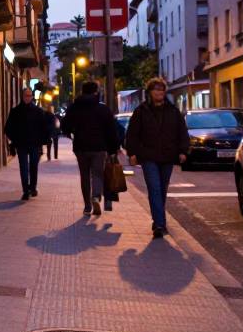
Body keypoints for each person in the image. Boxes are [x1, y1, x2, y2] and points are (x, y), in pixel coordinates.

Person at [125, 77, 190, 238]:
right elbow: (132, 134)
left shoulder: (173, 111)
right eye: (156, 90)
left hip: (167, 156)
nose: (160, 93)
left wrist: (183, 151)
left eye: (162, 90)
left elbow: (182, 132)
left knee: (162, 190)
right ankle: (160, 224)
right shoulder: (141, 111)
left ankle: (158, 219)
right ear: (150, 92)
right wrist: (132, 153)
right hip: (148, 157)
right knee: (154, 189)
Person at [61, 82, 121, 216]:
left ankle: (87, 206)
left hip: (81, 146)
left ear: (82, 91)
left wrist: (73, 133)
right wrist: (113, 149)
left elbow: (65, 126)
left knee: (85, 176)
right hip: (99, 146)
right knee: (98, 174)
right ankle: (96, 196)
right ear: (96, 92)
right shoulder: (103, 109)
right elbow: (111, 130)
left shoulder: (74, 108)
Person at [4, 88, 51, 201]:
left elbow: (44, 128)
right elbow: (8, 128)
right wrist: (15, 140)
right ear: (22, 96)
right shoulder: (15, 111)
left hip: (35, 144)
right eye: (26, 95)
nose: (28, 97)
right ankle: (26, 190)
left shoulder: (38, 111)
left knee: (33, 167)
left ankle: (32, 188)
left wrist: (43, 141)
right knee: (24, 167)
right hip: (22, 144)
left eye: (29, 95)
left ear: (32, 97)